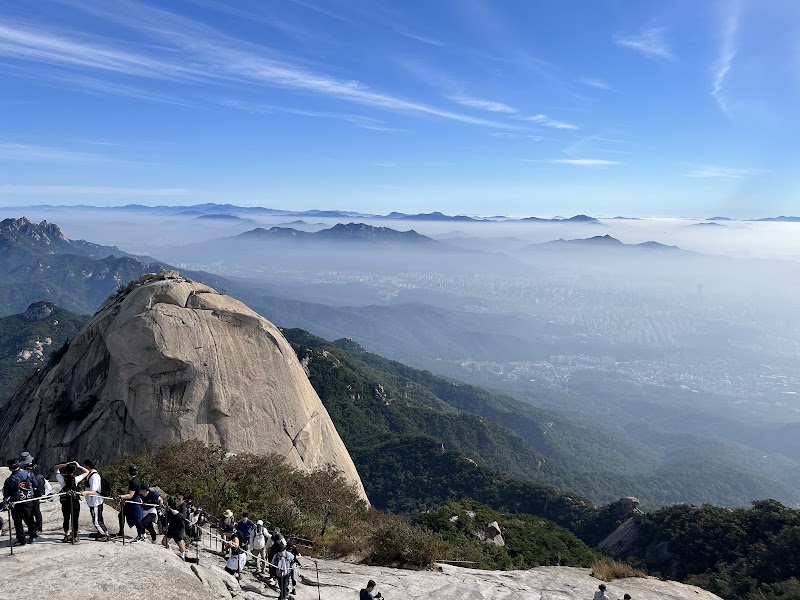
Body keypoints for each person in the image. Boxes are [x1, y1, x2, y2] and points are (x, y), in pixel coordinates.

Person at [2, 458, 39, 545]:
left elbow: (6, 494)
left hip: (16, 503)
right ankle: (33, 537)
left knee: (18, 521)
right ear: (18, 465)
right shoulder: (29, 474)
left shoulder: (10, 480)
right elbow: (36, 484)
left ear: (10, 468)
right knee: (30, 518)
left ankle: (21, 540)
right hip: (29, 500)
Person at [54, 460, 88, 542]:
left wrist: (64, 465)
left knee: (66, 518)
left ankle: (66, 535)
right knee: (75, 518)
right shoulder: (76, 479)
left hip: (65, 501)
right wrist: (79, 466)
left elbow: (55, 468)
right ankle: (75, 536)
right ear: (74, 471)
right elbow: (87, 472)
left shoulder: (62, 480)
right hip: (75, 500)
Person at [80, 459, 110, 541]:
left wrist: (85, 493)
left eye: (84, 466)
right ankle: (102, 532)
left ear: (88, 467)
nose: (83, 467)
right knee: (98, 518)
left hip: (95, 502)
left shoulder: (94, 477)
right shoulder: (91, 474)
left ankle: (105, 535)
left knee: (96, 521)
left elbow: (93, 491)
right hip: (93, 501)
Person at [18, 452, 46, 536]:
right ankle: (35, 528)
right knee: (34, 511)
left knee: (35, 511)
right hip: (34, 492)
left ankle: (37, 528)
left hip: (33, 492)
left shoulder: (30, 470)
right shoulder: (36, 467)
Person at [118, 464, 145, 541]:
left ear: (128, 473)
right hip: (131, 502)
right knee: (121, 515)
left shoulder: (133, 482)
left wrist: (120, 496)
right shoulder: (134, 480)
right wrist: (121, 490)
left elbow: (130, 495)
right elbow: (129, 489)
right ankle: (121, 532)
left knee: (136, 519)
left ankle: (140, 535)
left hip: (134, 502)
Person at [163, 493, 189, 560]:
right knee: (164, 542)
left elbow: (184, 517)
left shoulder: (184, 508)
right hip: (171, 526)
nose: (177, 500)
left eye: (179, 499)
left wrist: (178, 514)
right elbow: (168, 515)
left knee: (179, 542)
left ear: (183, 501)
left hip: (179, 528)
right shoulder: (173, 505)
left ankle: (183, 555)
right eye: (177, 498)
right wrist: (165, 524)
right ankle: (170, 551)